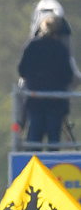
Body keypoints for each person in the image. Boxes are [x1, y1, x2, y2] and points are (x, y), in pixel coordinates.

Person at [18, 14, 75, 145]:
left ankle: (33, 163)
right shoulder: (61, 49)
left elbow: (21, 70)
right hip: (55, 101)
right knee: (54, 139)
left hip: (35, 100)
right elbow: (68, 75)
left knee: (34, 137)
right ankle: (52, 164)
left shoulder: (32, 46)